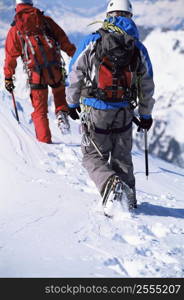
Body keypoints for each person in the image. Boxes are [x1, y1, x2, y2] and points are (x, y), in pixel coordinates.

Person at [66, 0, 155, 216]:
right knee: (122, 157)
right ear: (130, 15)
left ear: (109, 14)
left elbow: (75, 72)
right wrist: (145, 114)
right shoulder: (136, 46)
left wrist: (71, 102)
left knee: (92, 155)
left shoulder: (94, 40)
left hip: (95, 111)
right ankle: (129, 201)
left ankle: (109, 184)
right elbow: (146, 83)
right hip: (124, 110)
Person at [4, 0, 76, 144]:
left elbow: (10, 56)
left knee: (40, 110)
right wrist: (74, 55)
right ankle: (61, 112)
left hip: (36, 73)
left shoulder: (15, 29)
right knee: (59, 93)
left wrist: (8, 77)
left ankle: (45, 143)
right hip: (55, 67)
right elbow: (63, 39)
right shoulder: (45, 21)